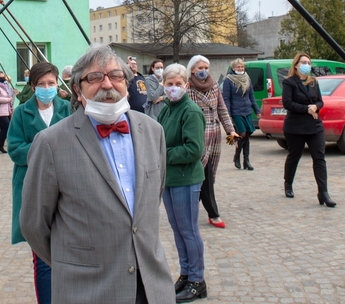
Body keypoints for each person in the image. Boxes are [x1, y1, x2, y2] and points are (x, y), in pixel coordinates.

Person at [20, 44, 173, 304]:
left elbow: (151, 200)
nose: (107, 84)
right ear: (78, 90)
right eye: (94, 77)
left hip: (151, 286)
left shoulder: (153, 131)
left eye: (116, 76)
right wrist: (76, 263)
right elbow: (34, 225)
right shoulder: (50, 143)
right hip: (88, 290)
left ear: (126, 83)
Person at [8, 61, 71, 304]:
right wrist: (47, 153)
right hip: (32, 186)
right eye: (42, 84)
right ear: (33, 86)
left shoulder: (67, 108)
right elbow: (14, 149)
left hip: (65, 188)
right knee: (43, 257)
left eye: (51, 83)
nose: (47, 88)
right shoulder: (22, 112)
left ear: (58, 84)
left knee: (66, 251)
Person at [157, 63, 208, 302]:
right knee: (178, 230)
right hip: (169, 178)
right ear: (163, 85)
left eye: (178, 84)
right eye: (170, 84)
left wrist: (161, 154)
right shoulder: (167, 108)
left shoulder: (190, 111)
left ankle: (198, 280)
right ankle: (186, 274)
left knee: (189, 230)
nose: (174, 88)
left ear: (186, 85)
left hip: (186, 179)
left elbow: (193, 150)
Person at [186, 55, 238, 229]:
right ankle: (213, 213)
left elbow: (222, 108)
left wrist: (230, 130)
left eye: (206, 67)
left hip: (214, 134)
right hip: (197, 135)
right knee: (202, 172)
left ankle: (199, 203)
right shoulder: (188, 87)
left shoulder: (215, 85)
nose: (203, 71)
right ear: (192, 69)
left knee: (209, 172)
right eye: (200, 68)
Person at [281, 52, 334, 207]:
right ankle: (288, 183)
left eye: (309, 63)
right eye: (303, 62)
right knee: (294, 155)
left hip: (315, 125)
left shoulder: (313, 82)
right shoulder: (289, 82)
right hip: (295, 126)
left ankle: (323, 192)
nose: (306, 65)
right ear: (296, 64)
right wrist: (306, 109)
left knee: (319, 157)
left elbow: (320, 101)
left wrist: (315, 107)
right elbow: (287, 103)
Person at [221, 58, 260, 171]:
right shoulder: (228, 80)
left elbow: (251, 96)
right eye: (238, 67)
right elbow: (226, 98)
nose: (240, 69)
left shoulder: (247, 78)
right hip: (236, 111)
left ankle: (246, 161)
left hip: (247, 110)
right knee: (242, 134)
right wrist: (227, 114)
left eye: (242, 67)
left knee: (247, 135)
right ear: (233, 68)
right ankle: (237, 156)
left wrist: (257, 110)